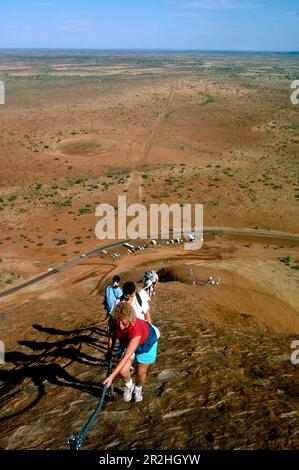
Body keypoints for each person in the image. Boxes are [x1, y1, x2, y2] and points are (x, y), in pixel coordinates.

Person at [104, 301, 160, 402]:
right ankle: (129, 386)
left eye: (124, 323)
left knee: (140, 372)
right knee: (122, 370)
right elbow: (113, 337)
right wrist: (109, 351)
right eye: (118, 322)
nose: (120, 326)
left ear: (130, 320)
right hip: (127, 341)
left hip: (146, 342)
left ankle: (138, 388)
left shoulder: (135, 330)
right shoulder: (113, 322)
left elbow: (126, 357)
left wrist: (111, 376)